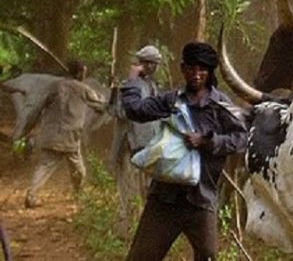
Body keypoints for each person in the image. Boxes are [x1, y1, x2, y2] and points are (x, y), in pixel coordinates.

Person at [121, 41, 247, 261]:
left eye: (202, 69)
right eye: (191, 68)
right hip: (164, 198)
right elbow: (136, 111)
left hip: (201, 199)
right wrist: (132, 80)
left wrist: (209, 142)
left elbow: (242, 139)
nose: (196, 74)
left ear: (209, 72)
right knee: (141, 256)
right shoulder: (171, 100)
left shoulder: (223, 106)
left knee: (207, 255)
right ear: (183, 68)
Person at [22, 60, 106, 209]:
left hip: (51, 135)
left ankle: (32, 195)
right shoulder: (83, 89)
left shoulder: (54, 87)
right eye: (84, 72)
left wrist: (29, 127)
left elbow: (39, 106)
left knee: (45, 166)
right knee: (79, 170)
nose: (85, 74)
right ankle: (78, 195)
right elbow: (101, 105)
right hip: (70, 137)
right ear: (80, 73)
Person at [109, 45, 164, 239]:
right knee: (128, 192)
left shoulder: (153, 86)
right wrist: (130, 82)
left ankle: (143, 234)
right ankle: (123, 234)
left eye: (156, 64)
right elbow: (120, 112)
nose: (154, 67)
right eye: (151, 63)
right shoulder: (128, 85)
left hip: (149, 147)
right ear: (143, 64)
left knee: (148, 192)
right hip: (130, 147)